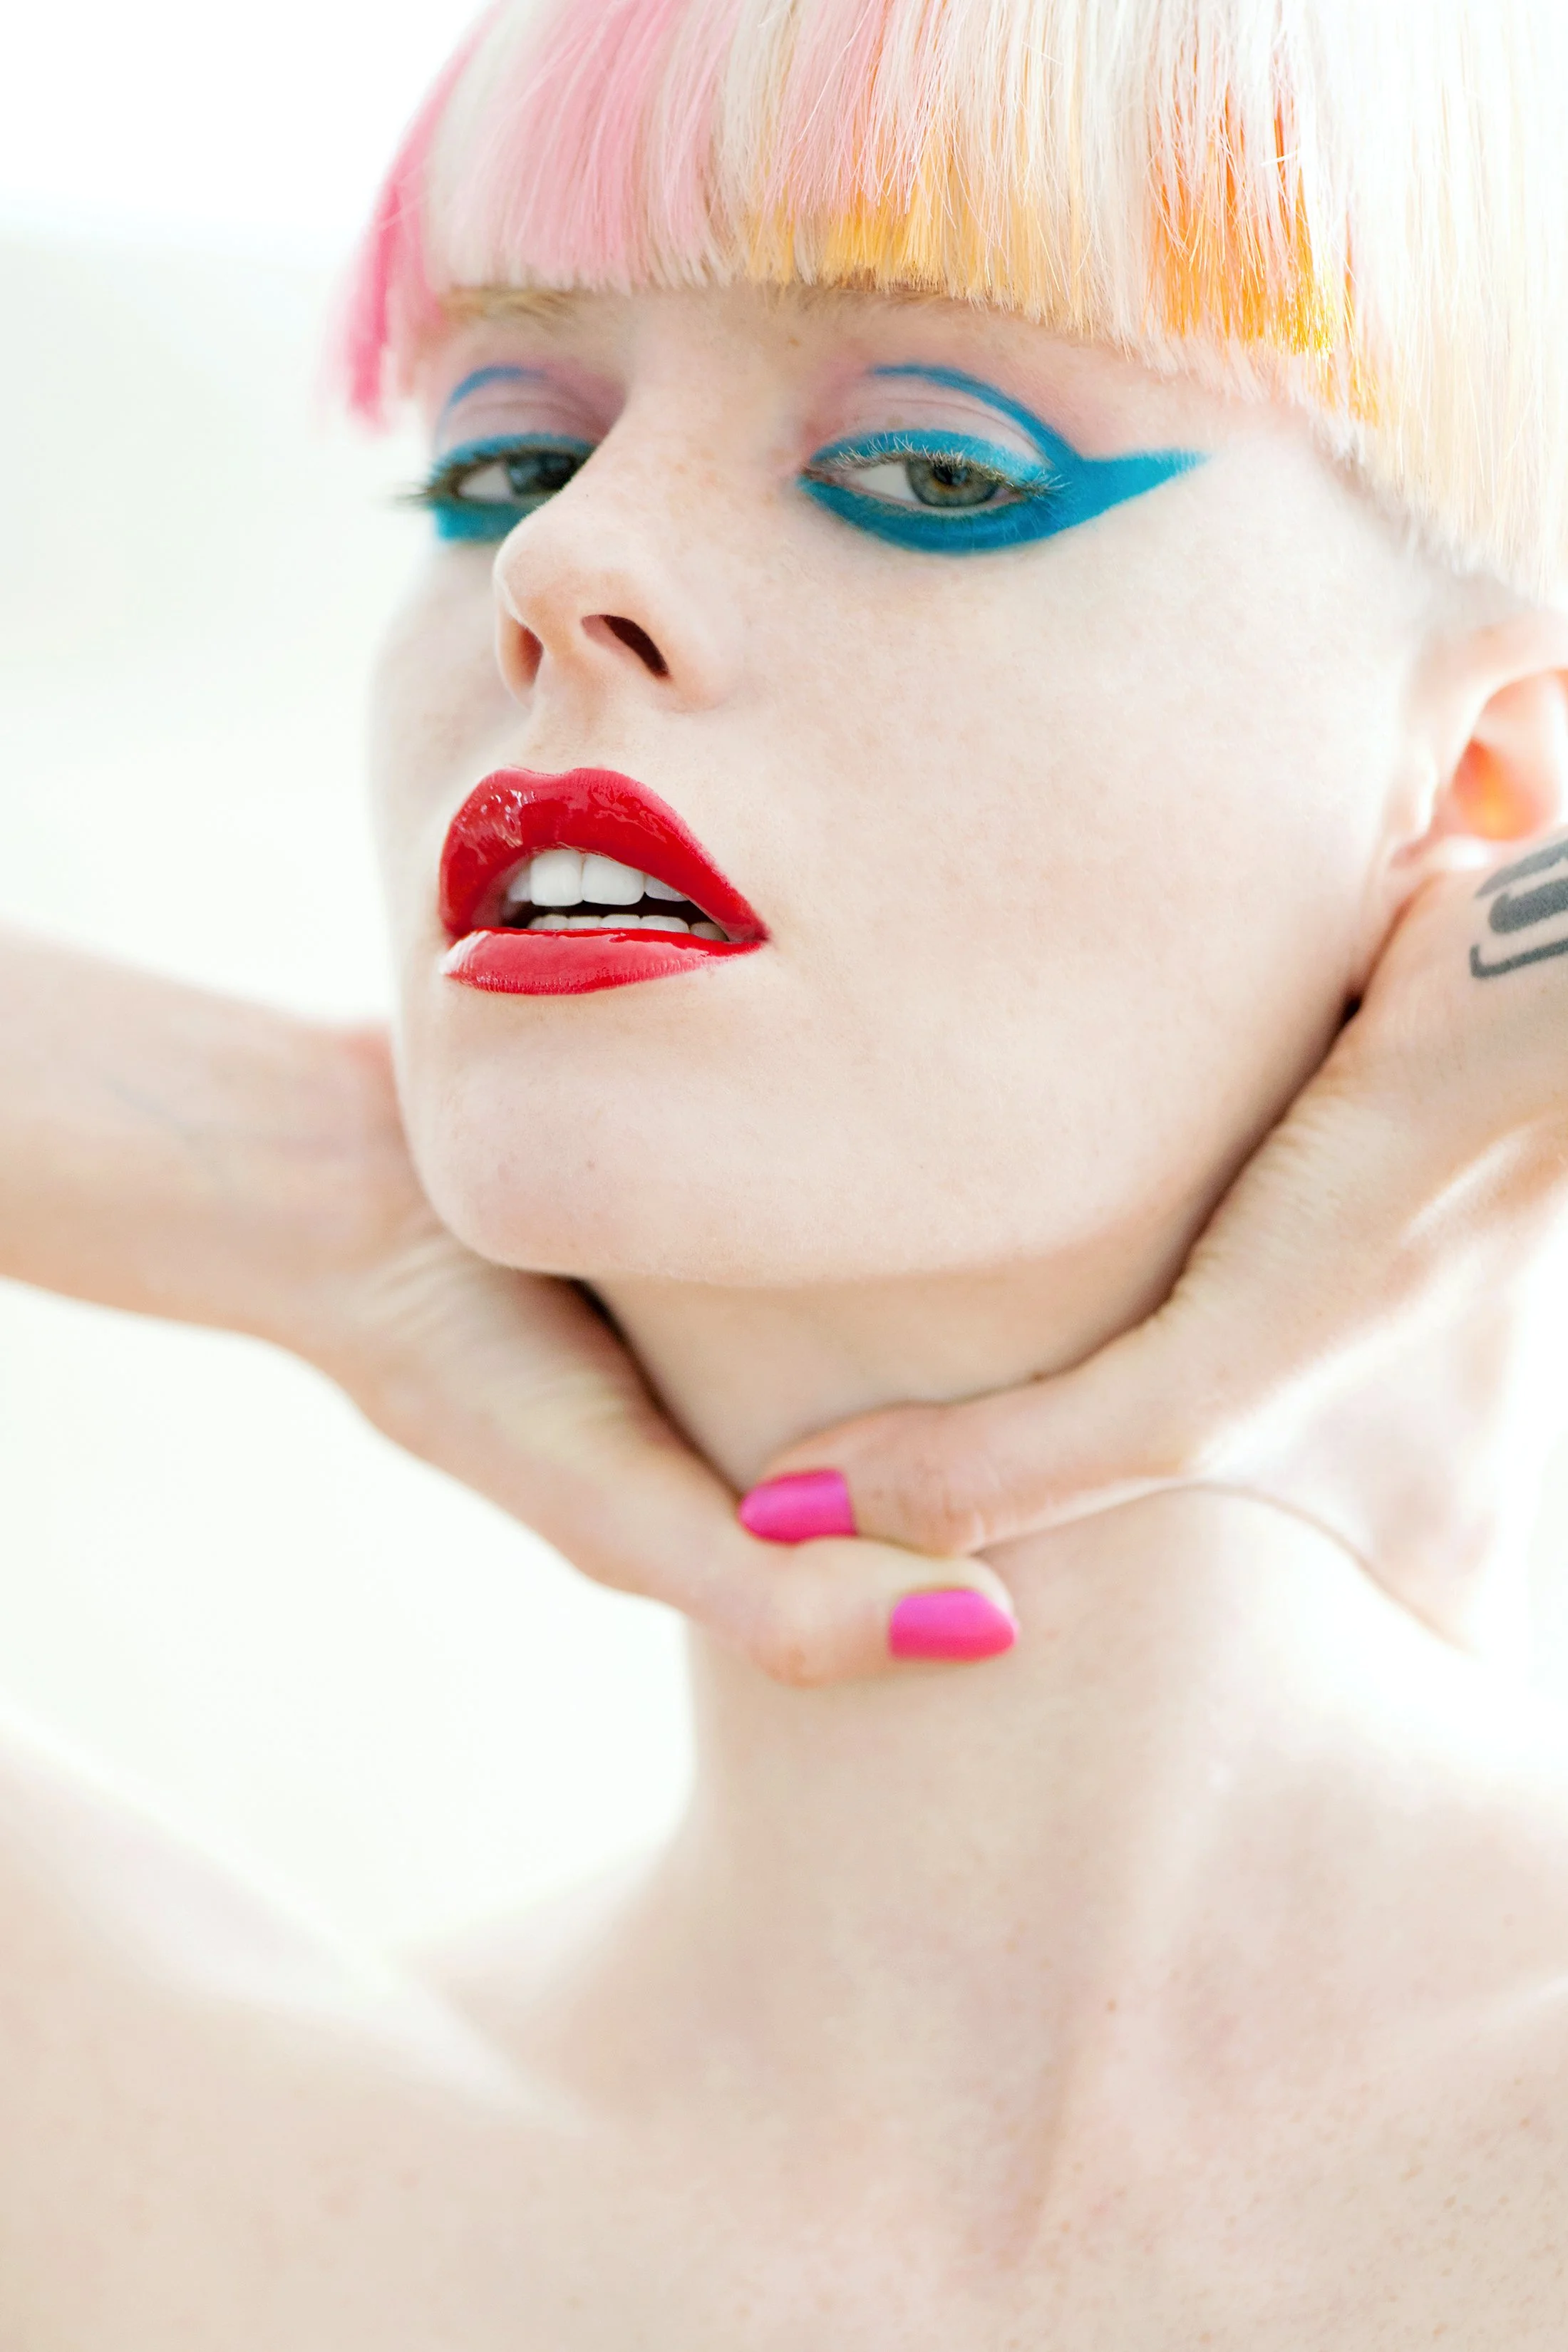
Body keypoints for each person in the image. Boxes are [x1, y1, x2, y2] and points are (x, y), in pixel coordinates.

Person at [3, 0, 1568, 2340]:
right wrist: (271, 1173)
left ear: (1480, 789)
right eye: (491, 468)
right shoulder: (137, 2137)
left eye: (934, 471)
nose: (565, 564)